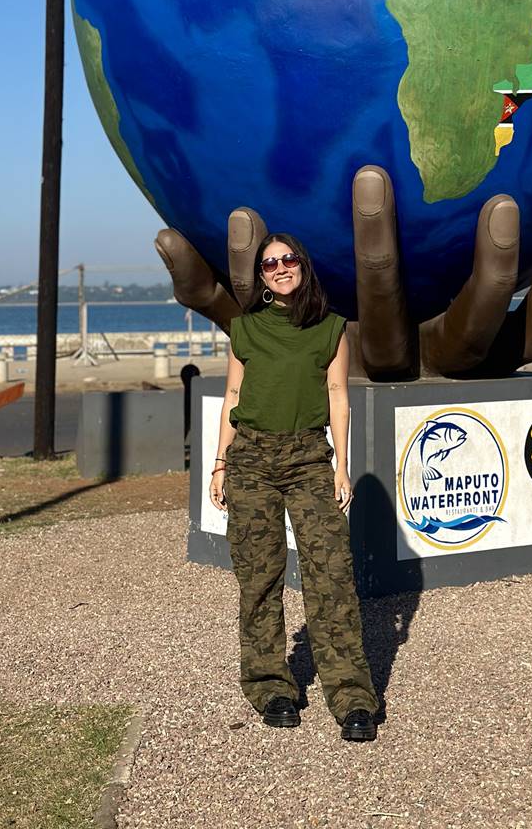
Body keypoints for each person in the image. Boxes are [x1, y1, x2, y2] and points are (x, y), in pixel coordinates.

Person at [209, 231, 379, 742]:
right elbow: (233, 395)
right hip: (251, 461)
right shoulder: (245, 329)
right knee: (258, 580)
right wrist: (219, 465)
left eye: (287, 260)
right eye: (268, 264)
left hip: (309, 459)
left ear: (303, 265)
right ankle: (270, 686)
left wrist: (342, 466)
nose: (279, 268)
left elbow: (338, 398)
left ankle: (351, 697)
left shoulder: (330, 329)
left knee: (331, 578)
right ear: (260, 276)